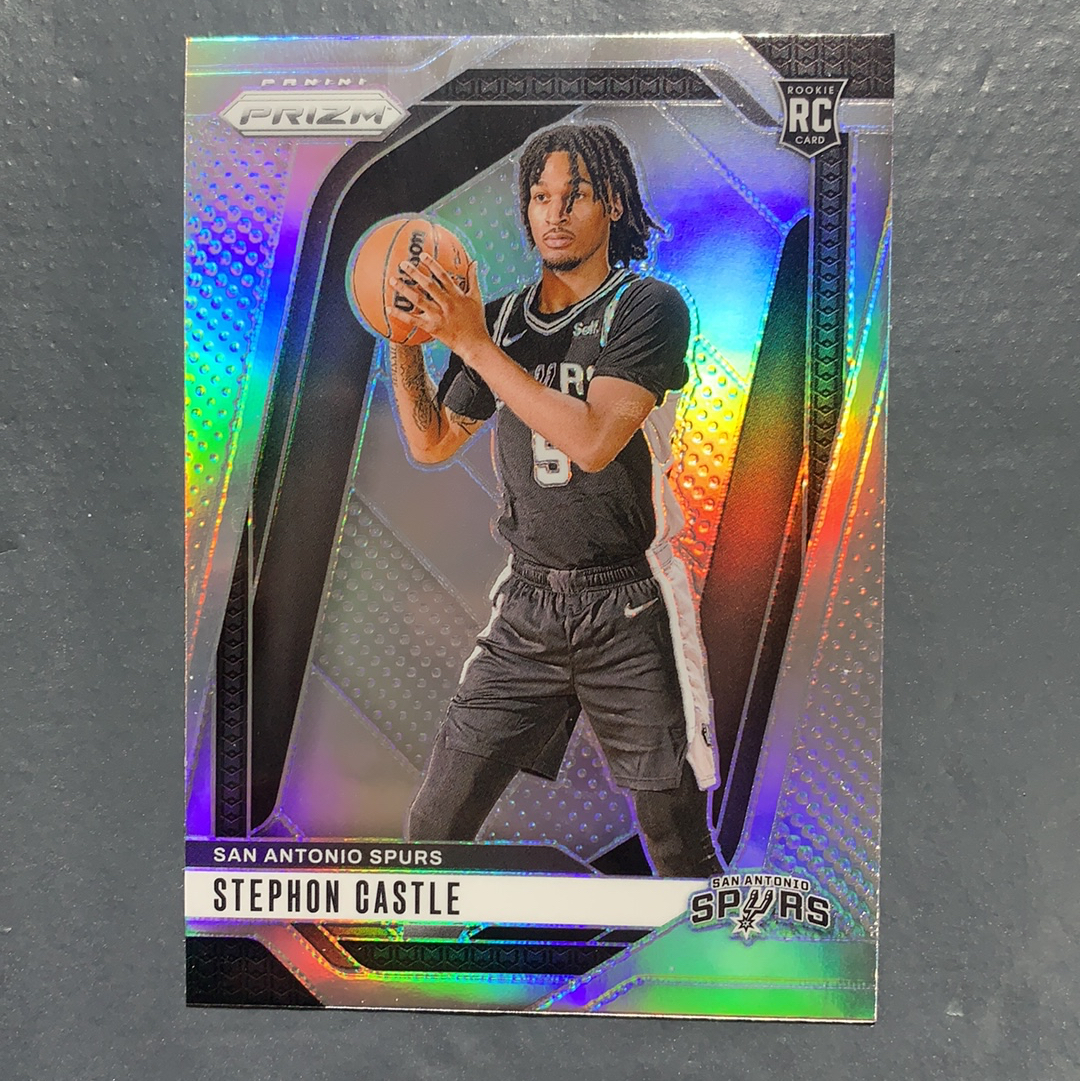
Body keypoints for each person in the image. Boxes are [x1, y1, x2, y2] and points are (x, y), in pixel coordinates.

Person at [385, 123, 721, 878]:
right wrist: (401, 338)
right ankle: (420, 954)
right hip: (529, 606)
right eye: (540, 196)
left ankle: (719, 948)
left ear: (614, 204)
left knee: (674, 839)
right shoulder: (502, 321)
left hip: (626, 606)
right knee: (434, 825)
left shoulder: (647, 307)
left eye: (576, 195)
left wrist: (472, 345)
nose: (555, 213)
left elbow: (595, 440)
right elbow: (433, 442)